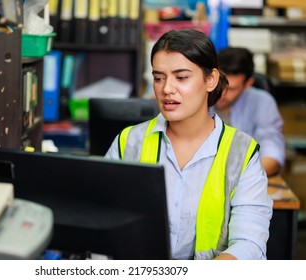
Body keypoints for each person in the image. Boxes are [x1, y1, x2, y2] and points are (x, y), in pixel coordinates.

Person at [104, 29, 272, 260]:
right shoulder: (129, 141)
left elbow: (249, 245)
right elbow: (103, 221)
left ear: (210, 80)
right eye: (159, 77)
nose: (167, 89)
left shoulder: (241, 153)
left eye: (181, 77)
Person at [211, 47, 285, 176]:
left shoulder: (262, 102)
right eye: (218, 85)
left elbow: (272, 154)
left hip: (243, 181)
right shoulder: (196, 98)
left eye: (232, 89)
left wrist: (235, 177)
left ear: (248, 84)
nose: (222, 93)